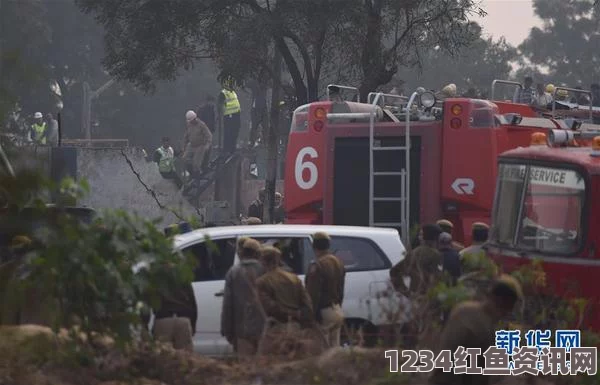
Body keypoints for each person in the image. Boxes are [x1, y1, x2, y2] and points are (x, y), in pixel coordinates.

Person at [428, 275, 523, 385]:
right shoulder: (485, 327)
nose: (508, 312)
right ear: (502, 302)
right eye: (509, 306)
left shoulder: (463, 310)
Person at [221, 238, 266, 357]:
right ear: (257, 254)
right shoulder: (264, 270)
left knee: (246, 366)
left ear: (243, 252)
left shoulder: (234, 272)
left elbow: (228, 304)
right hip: (264, 329)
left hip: (242, 330)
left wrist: (227, 329)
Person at [256, 246, 315, 328]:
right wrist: (300, 316)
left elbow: (270, 307)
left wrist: (290, 314)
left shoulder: (262, 282)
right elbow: (307, 303)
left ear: (263, 262)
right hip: (296, 325)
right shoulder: (294, 278)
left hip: (276, 327)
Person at [305, 232, 345, 348]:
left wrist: (312, 314)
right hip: (336, 309)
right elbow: (341, 288)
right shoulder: (338, 262)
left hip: (323, 312)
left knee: (321, 352)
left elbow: (313, 293)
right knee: (335, 351)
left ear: (314, 246)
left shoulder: (317, 265)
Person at [389, 224, 443, 296]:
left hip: (415, 295)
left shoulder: (414, 252)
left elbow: (394, 271)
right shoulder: (435, 255)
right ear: (437, 239)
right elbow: (437, 278)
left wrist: (405, 291)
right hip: (429, 296)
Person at [150, 275, 198, 351]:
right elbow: (193, 304)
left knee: (163, 358)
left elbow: (147, 302)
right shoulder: (183, 276)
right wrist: (193, 325)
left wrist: (145, 324)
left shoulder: (156, 277)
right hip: (183, 320)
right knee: (185, 358)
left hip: (163, 319)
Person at [182, 110, 212, 180]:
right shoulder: (189, 125)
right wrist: (184, 146)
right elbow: (186, 136)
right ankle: (192, 174)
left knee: (196, 164)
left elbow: (209, 135)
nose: (191, 122)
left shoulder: (201, 125)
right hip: (191, 145)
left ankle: (197, 178)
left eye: (192, 120)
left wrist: (207, 145)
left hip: (200, 145)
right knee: (185, 159)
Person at [218, 77, 241, 155]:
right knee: (228, 133)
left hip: (236, 115)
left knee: (235, 132)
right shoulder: (223, 93)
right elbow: (219, 104)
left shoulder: (233, 92)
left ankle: (232, 148)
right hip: (229, 115)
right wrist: (221, 113)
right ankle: (227, 149)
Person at [248, 77, 268, 147]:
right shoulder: (255, 82)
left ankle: (265, 142)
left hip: (262, 106)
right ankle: (252, 142)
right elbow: (248, 84)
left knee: (264, 126)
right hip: (256, 107)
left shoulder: (265, 82)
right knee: (254, 126)